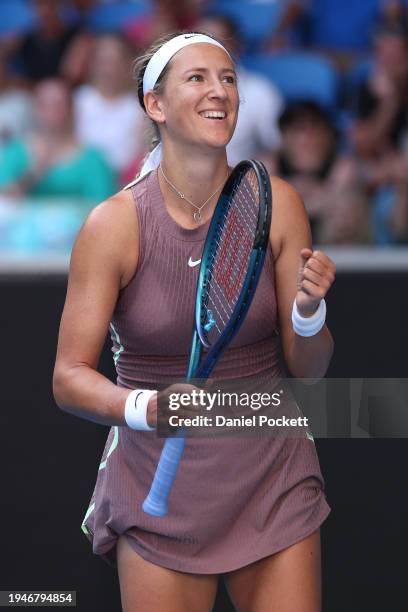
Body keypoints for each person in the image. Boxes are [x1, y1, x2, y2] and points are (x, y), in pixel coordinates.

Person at [53, 32, 336, 612]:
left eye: (228, 78)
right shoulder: (113, 225)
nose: (219, 91)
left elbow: (310, 372)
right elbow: (68, 377)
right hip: (156, 481)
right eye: (198, 78)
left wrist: (308, 317)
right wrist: (145, 408)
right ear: (155, 105)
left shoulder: (277, 203)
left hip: (271, 470)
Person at [0, 78, 116, 202]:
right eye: (43, 105)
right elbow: (4, 201)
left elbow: (103, 207)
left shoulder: (93, 159)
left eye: (58, 105)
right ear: (34, 110)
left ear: (71, 110)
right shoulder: (16, 152)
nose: (51, 112)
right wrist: (33, 174)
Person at [273, 101, 369, 244]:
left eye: (314, 128)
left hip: (334, 254)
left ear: (329, 135)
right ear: (284, 136)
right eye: (298, 129)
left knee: (344, 217)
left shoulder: (343, 167)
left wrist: (294, 197)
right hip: (283, 255)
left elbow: (341, 203)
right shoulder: (268, 165)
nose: (306, 138)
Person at [197, 14, 283, 165]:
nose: (206, 52)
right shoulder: (178, 89)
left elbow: (276, 148)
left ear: (236, 46)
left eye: (215, 43)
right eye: (199, 44)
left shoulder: (259, 92)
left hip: (238, 182)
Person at [74, 34, 147, 175]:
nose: (109, 69)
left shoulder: (140, 107)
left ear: (128, 64)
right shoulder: (79, 100)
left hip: (124, 182)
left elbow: (142, 154)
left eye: (116, 62)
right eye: (103, 61)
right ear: (93, 64)